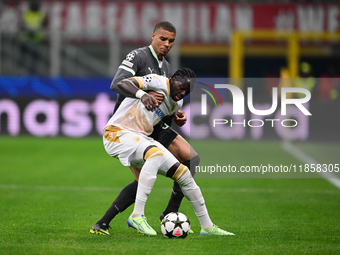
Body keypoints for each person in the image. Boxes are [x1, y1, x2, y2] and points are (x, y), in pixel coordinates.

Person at [90, 21, 200, 235]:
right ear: (153, 36)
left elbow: (166, 100)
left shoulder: (166, 68)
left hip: (154, 125)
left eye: (171, 41)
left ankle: (169, 214)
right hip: (131, 124)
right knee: (142, 180)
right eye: (163, 39)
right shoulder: (138, 56)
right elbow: (117, 83)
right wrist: (144, 94)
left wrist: (174, 113)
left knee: (190, 159)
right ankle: (103, 222)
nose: (167, 44)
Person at [102, 67, 235, 236]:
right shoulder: (157, 81)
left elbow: (160, 118)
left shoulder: (176, 102)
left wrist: (174, 117)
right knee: (156, 154)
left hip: (141, 139)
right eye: (182, 87)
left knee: (184, 174)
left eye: (188, 91)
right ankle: (137, 216)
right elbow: (123, 83)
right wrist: (143, 94)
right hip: (117, 133)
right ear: (172, 79)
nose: (183, 93)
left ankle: (208, 227)